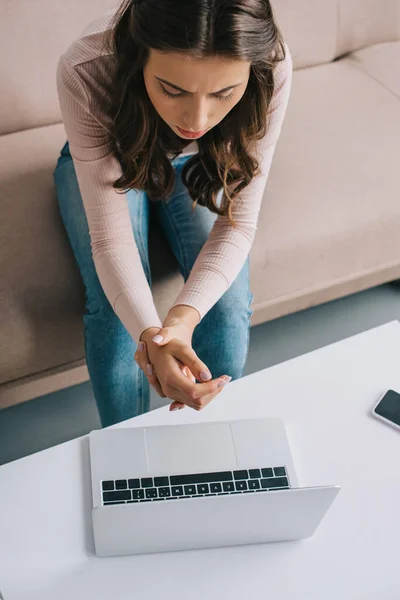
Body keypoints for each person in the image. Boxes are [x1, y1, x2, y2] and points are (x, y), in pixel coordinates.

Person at [53, 0, 292, 428]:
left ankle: (215, 435)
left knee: (228, 301)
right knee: (114, 316)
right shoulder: (86, 67)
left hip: (196, 166)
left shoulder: (270, 65)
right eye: (173, 89)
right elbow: (110, 242)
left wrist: (180, 320)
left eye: (224, 93)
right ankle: (126, 443)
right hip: (109, 158)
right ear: (138, 59)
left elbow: (239, 224)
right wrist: (152, 335)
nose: (197, 120)